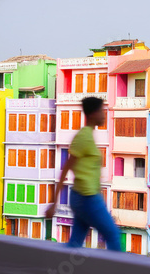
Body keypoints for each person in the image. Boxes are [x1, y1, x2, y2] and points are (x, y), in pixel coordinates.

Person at [45, 97, 122, 252]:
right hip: (87, 198)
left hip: (83, 197)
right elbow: (66, 168)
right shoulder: (83, 137)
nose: (103, 115)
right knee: (113, 235)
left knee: (74, 245)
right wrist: (54, 203)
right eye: (101, 111)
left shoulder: (88, 136)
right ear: (93, 113)